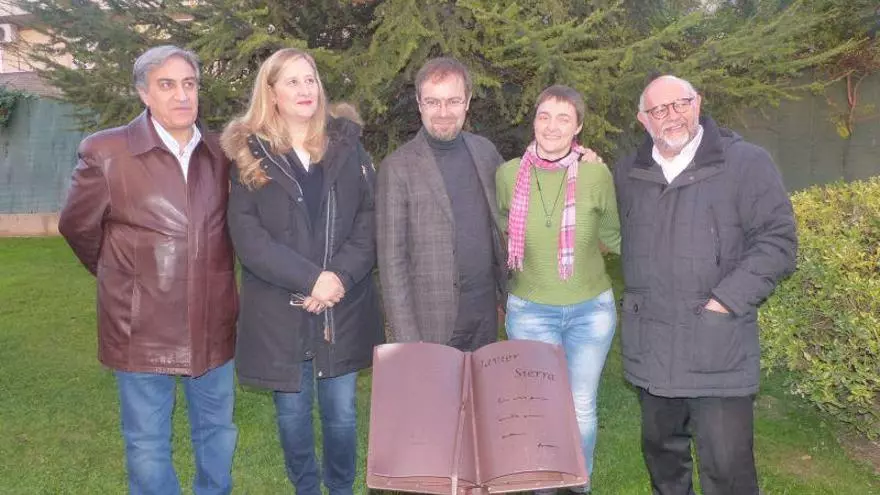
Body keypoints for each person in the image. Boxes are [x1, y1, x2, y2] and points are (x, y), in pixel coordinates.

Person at [58, 45, 238, 495]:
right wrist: (125, 278)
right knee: (147, 444)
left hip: (213, 321)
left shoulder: (221, 153)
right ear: (144, 93)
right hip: (140, 327)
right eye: (167, 84)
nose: (182, 95)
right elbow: (78, 228)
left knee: (218, 434)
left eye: (190, 84)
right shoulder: (107, 152)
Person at [613, 75, 797, 495]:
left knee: (727, 470)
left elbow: (778, 241)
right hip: (652, 346)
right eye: (659, 109)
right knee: (663, 460)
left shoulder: (745, 163)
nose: (672, 116)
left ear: (697, 103)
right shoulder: (628, 172)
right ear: (643, 120)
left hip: (717, 346)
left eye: (680, 104)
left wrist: (725, 301)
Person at [220, 48, 383, 495]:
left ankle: (341, 488)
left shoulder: (347, 147)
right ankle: (306, 488)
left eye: (310, 79)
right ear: (271, 92)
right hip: (280, 309)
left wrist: (337, 278)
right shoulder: (249, 156)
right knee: (292, 415)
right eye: (291, 81)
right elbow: (249, 238)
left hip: (341, 307)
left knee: (342, 414)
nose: (305, 89)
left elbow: (368, 220)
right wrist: (311, 280)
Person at [496, 85, 620, 495]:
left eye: (564, 118)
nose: (552, 126)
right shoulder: (508, 175)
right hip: (530, 311)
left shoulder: (596, 174)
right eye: (544, 116)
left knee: (581, 405)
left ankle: (577, 484)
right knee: (538, 407)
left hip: (591, 310)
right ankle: (543, 485)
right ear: (533, 120)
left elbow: (613, 234)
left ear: (578, 127)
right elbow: (504, 229)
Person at [375, 57, 507, 351]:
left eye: (453, 101)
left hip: (485, 313)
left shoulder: (485, 152)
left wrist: (578, 160)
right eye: (433, 102)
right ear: (419, 103)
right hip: (432, 323)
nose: (444, 112)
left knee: (482, 384)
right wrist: (408, 340)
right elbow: (391, 264)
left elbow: (521, 198)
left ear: (467, 101)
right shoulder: (397, 168)